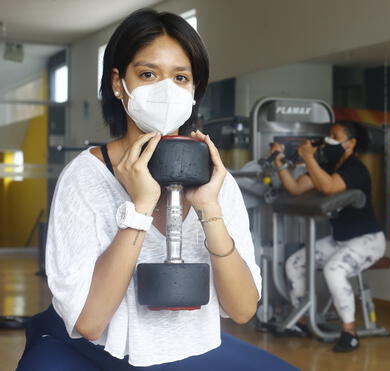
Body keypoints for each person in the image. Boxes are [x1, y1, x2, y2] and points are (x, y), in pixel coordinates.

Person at [17, 9, 297, 371]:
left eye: (181, 77)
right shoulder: (85, 176)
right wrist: (141, 206)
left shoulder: (215, 179)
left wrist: (210, 208)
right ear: (119, 83)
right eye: (148, 74)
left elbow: (243, 309)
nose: (166, 89)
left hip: (186, 348)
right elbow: (89, 322)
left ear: (194, 90)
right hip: (88, 348)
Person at [269, 122, 386, 352]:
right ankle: (301, 323)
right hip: (340, 240)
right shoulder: (329, 164)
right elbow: (295, 188)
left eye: (335, 135)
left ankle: (349, 333)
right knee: (295, 263)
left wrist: (308, 157)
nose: (329, 139)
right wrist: (278, 161)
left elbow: (330, 187)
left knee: (335, 269)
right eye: (328, 135)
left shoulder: (356, 169)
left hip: (368, 240)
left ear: (350, 143)